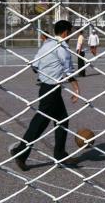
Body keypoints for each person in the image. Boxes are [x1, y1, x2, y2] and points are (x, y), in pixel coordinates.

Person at [10, 20, 82, 171]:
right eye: (71, 32)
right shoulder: (62, 47)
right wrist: (76, 89)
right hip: (51, 89)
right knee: (39, 123)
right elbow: (69, 71)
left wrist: (46, 73)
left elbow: (35, 66)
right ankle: (20, 153)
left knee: (62, 119)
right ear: (65, 33)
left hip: (46, 87)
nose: (71, 36)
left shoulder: (47, 44)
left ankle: (60, 153)